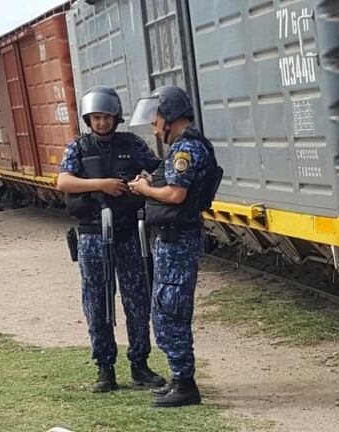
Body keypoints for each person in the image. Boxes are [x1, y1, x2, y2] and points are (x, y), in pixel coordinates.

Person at [56, 86, 165, 393]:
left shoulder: (132, 144)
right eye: (96, 117)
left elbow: (158, 170)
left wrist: (143, 181)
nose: (101, 123)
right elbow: (63, 180)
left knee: (137, 299)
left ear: (116, 117)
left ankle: (140, 364)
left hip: (129, 233)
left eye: (106, 117)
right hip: (92, 235)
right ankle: (105, 369)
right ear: (88, 119)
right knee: (97, 300)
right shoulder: (78, 148)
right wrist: (102, 184)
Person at [128, 85, 221, 408]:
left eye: (155, 119)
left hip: (177, 240)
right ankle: (179, 378)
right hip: (171, 238)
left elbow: (175, 195)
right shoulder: (183, 147)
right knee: (165, 308)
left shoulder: (186, 150)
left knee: (171, 310)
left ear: (169, 116)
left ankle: (185, 384)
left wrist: (144, 189)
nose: (154, 127)